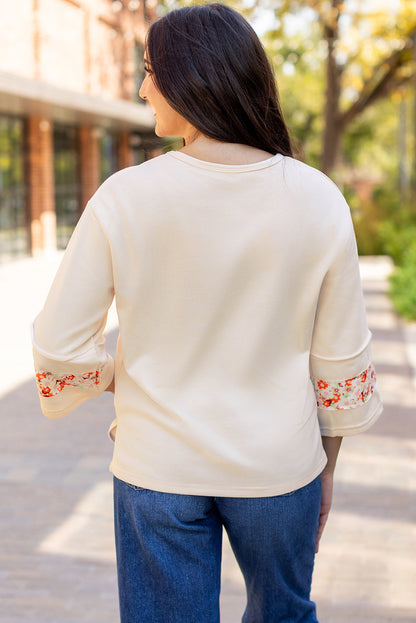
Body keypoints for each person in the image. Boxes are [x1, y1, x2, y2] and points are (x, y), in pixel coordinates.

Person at [32, 4, 383, 622]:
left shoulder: (125, 196)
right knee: (286, 615)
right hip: (280, 467)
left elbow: (60, 346)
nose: (141, 88)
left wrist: (119, 374)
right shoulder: (317, 198)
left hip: (158, 466)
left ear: (195, 77)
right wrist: (325, 471)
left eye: (149, 71)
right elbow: (338, 362)